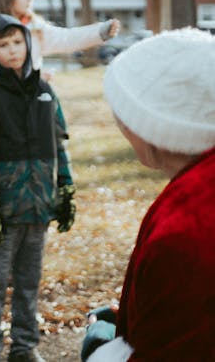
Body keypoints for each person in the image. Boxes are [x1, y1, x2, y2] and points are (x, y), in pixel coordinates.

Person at [81, 28, 215, 362]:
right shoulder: (196, 192)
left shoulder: (184, 234)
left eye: (123, 115)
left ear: (153, 124)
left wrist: (102, 347)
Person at [0, 13, 75, 362]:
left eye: (17, 42)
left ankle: (25, 346)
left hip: (39, 205)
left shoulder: (45, 92)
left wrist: (65, 188)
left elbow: (59, 145)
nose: (12, 50)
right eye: (3, 44)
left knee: (29, 283)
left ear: (27, 43)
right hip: (4, 208)